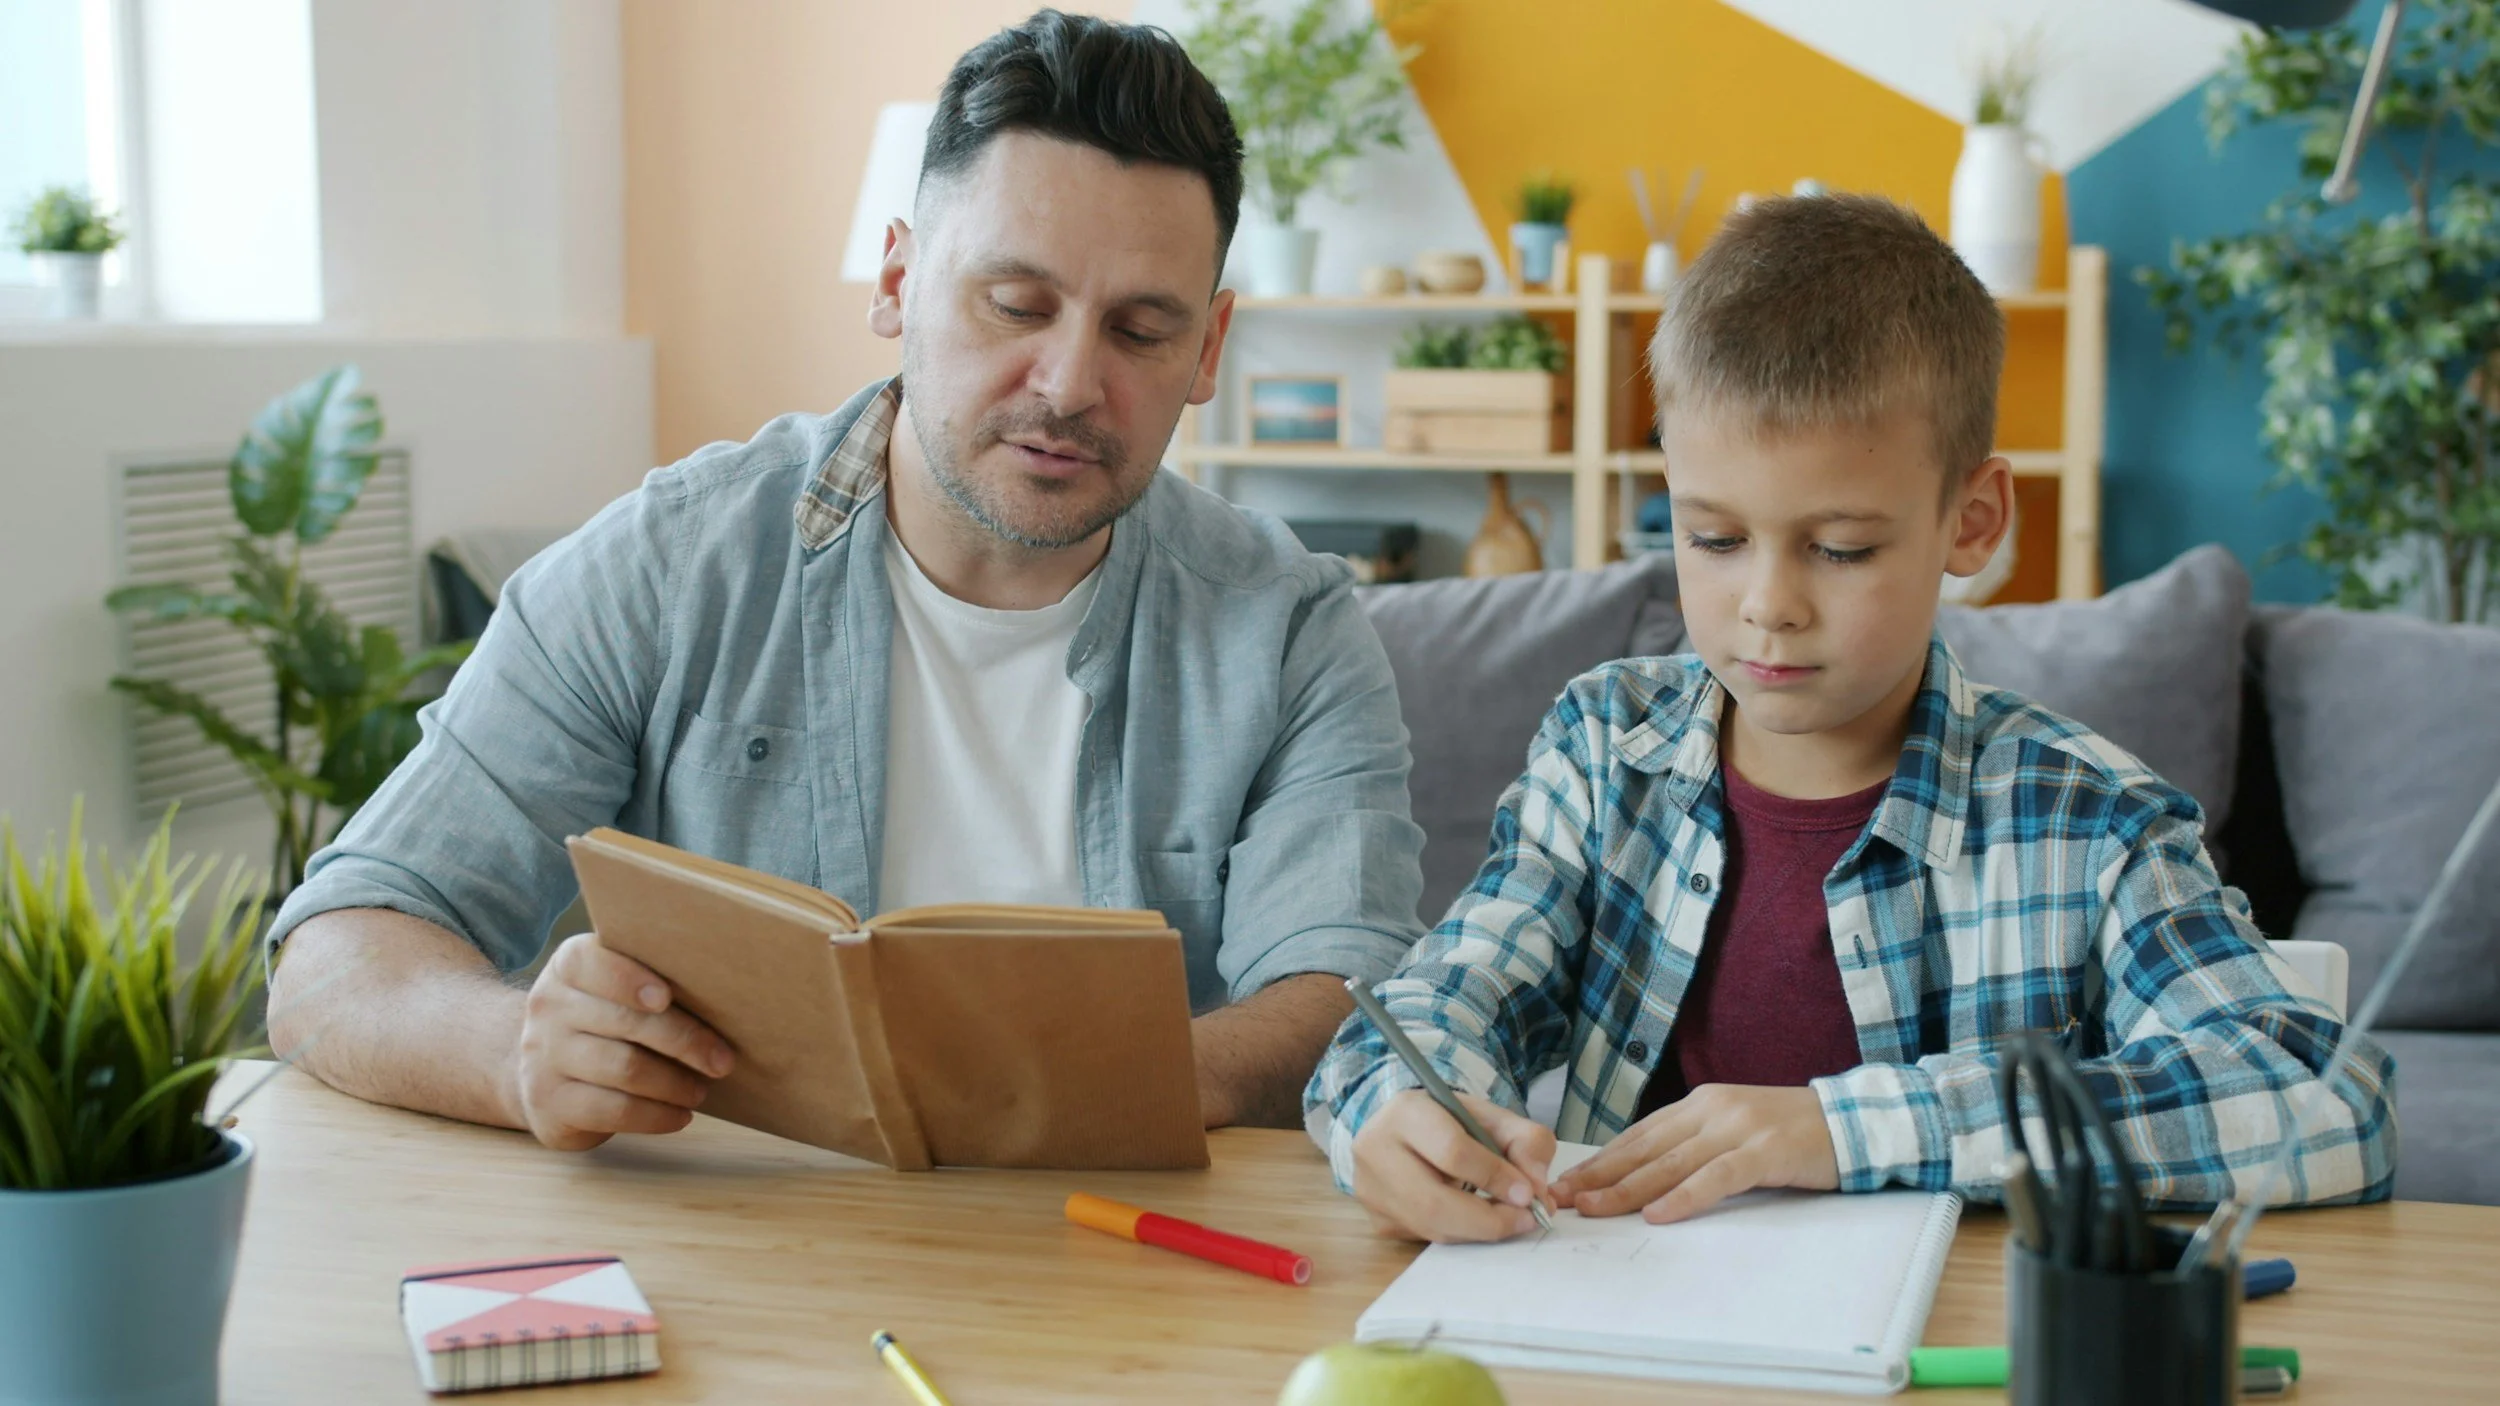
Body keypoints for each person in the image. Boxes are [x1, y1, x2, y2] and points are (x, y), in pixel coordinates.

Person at [267, 9, 1427, 1152]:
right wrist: (518, 1048)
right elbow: (338, 948)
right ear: (896, 280)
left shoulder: (1289, 626)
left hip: (1140, 1254)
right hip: (746, 1252)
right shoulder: (667, 563)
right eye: (1015, 305)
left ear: (1209, 349)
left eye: (1140, 330)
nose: (1071, 382)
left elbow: (1347, 994)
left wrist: (1069, 1085)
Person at [1305, 193, 2396, 1242]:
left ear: (1970, 522)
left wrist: (1844, 1124)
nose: (1766, 603)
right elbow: (1438, 1000)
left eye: (1839, 548)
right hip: (1628, 1329)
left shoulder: (2090, 818)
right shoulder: (1602, 753)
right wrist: (1400, 1107)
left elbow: (2322, 1098)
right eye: (1712, 538)